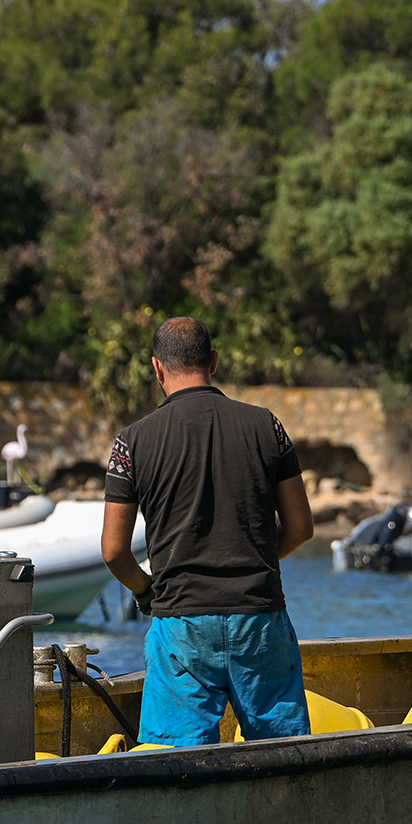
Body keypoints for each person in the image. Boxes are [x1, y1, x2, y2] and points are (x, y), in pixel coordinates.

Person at [101, 317, 316, 744]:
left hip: (181, 625)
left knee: (175, 768)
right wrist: (256, 563)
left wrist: (147, 591)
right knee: (283, 760)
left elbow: (113, 552)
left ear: (157, 368)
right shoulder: (267, 426)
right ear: (213, 362)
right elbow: (301, 527)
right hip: (259, 618)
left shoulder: (132, 441)